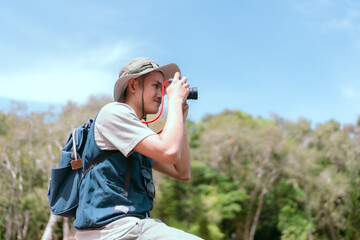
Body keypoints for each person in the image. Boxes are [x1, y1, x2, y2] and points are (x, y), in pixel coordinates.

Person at [74, 57, 203, 240]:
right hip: (113, 229)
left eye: (163, 88)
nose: (162, 94)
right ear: (133, 86)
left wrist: (180, 118)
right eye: (156, 86)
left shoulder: (139, 133)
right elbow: (169, 152)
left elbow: (181, 172)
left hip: (133, 226)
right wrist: (174, 102)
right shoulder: (114, 113)